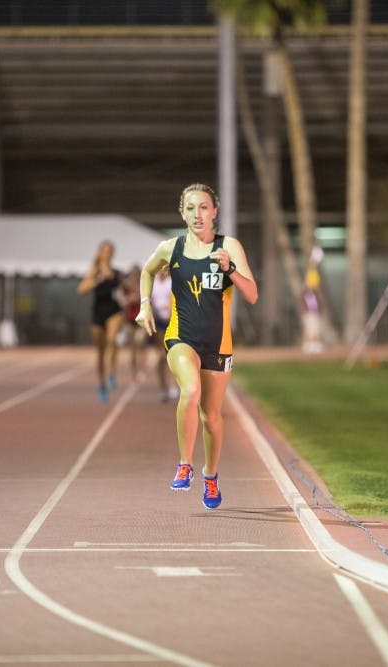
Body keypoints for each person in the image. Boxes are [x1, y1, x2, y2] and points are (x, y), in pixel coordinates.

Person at [135, 183, 258, 509]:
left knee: (212, 417)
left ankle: (211, 476)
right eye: (191, 208)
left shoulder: (228, 246)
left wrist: (229, 268)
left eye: (204, 207)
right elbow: (147, 271)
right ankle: (185, 463)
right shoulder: (170, 248)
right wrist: (145, 304)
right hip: (181, 338)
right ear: (182, 212)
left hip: (218, 345)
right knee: (189, 392)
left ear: (214, 212)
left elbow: (252, 294)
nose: (197, 214)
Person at [76, 240, 123, 402]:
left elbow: (121, 293)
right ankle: (102, 384)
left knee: (111, 340)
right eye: (105, 250)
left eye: (110, 250)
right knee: (100, 353)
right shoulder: (94, 271)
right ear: (100, 252)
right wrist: (97, 279)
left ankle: (111, 374)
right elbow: (81, 289)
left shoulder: (117, 273)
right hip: (98, 313)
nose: (108, 253)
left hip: (114, 311)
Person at [149, 265, 177, 402]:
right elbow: (150, 302)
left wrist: (170, 307)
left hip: (172, 322)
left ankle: (174, 386)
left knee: (173, 356)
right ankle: (163, 388)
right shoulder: (153, 283)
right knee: (161, 357)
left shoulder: (173, 281)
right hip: (158, 323)